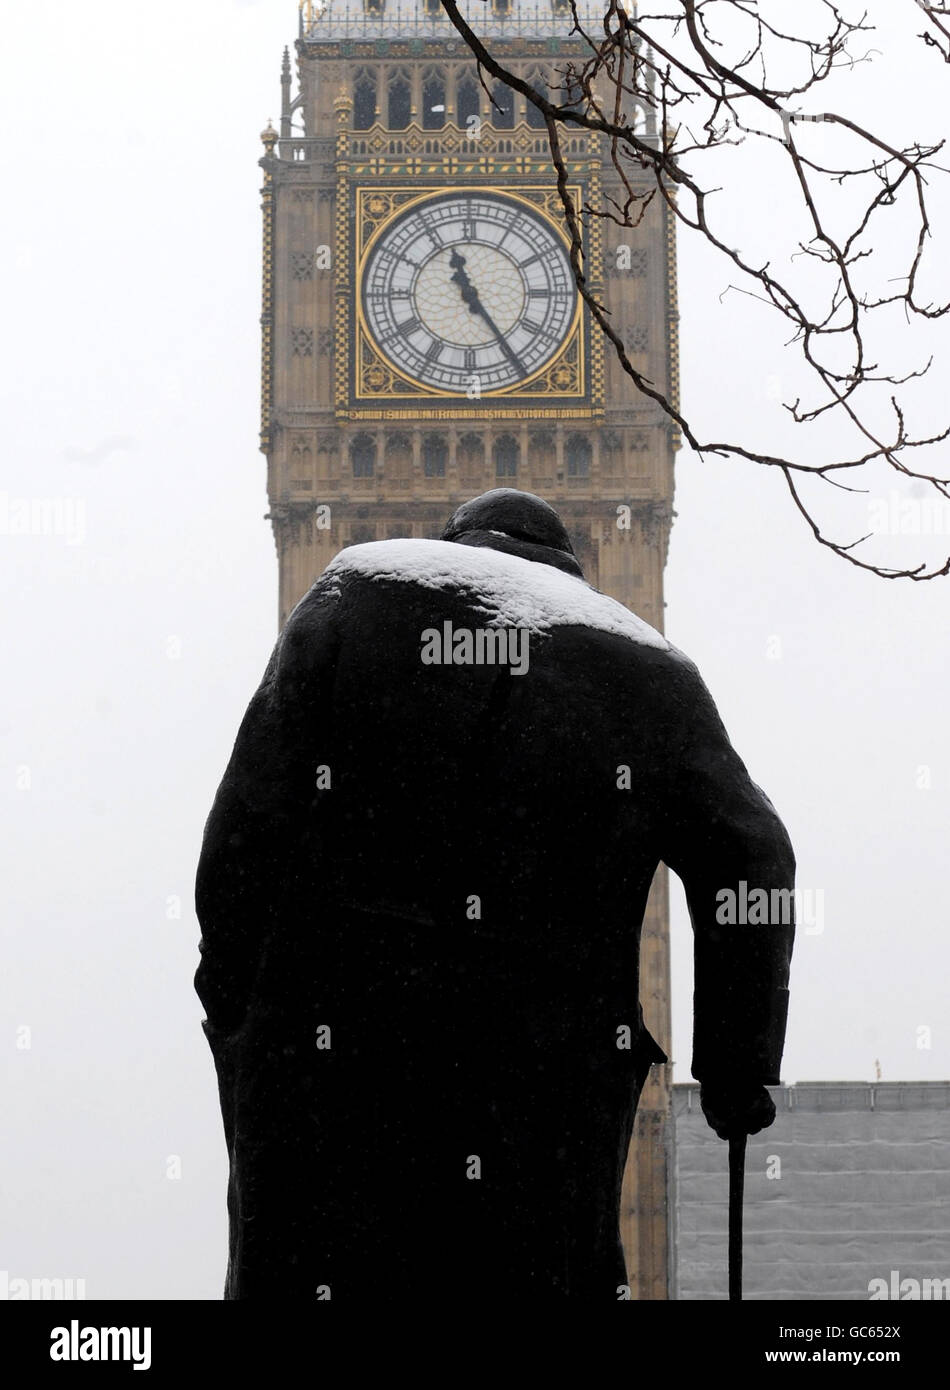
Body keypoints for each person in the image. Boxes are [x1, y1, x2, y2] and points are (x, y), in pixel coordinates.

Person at [194, 488, 794, 1300]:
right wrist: (734, 1068)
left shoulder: (355, 595)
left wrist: (232, 992)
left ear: (459, 541)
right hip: (546, 1088)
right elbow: (754, 859)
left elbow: (248, 820)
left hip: (333, 1065)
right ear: (571, 565)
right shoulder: (649, 669)